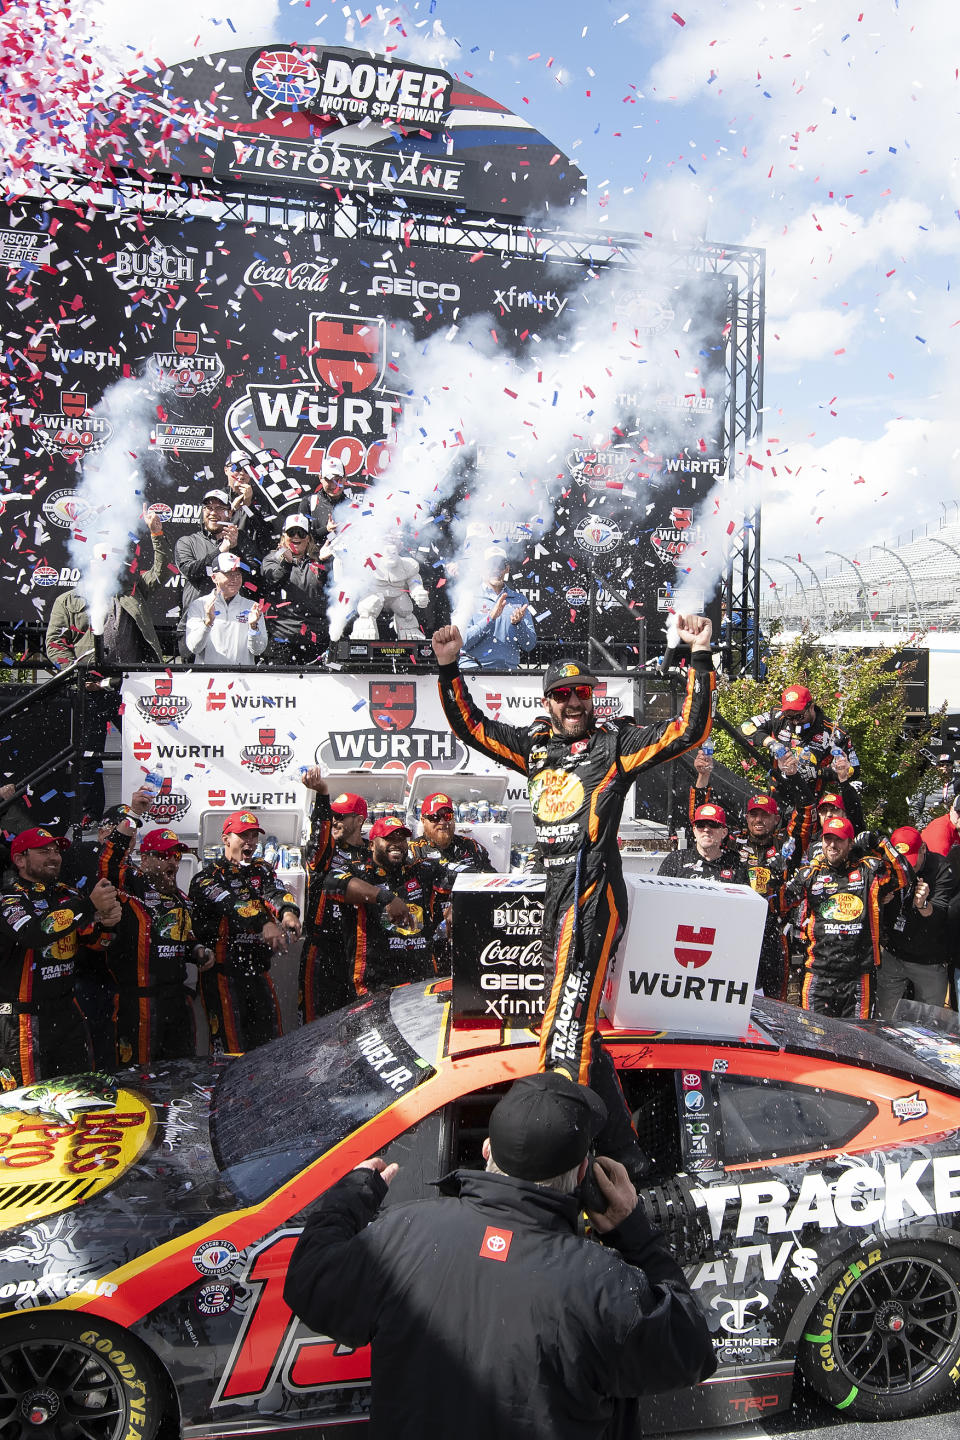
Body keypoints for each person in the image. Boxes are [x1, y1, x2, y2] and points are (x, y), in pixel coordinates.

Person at [283, 1071, 716, 1440]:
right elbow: (693, 1352)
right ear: (584, 1174)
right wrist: (633, 1230)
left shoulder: (403, 1234)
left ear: (487, 1150)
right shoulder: (602, 1284)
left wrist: (354, 1193)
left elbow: (308, 1281)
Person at [433, 616, 714, 1092]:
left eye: (580, 692)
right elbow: (473, 728)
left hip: (593, 894)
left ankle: (557, 1127)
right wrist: (448, 668)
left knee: (566, 1016)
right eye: (561, 695)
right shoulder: (534, 748)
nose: (572, 702)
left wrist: (700, 653)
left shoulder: (615, 745)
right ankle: (615, 1143)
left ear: (592, 695)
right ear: (547, 702)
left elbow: (689, 730)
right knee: (561, 1009)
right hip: (554, 894)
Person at [46, 508, 170, 819]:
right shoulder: (69, 601)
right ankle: (91, 814)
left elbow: (161, 573)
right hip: (88, 685)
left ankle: (151, 808)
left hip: (129, 685)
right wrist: (74, 673)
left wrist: (156, 535)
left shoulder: (133, 590)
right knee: (88, 754)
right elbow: (54, 644)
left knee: (146, 747)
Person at [0, 827, 121, 1085]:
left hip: (67, 1012)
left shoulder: (69, 895)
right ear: (20, 859)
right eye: (44, 851)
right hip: (23, 1019)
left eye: (56, 851)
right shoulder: (9, 899)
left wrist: (109, 924)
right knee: (27, 1103)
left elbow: (97, 943)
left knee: (77, 1092)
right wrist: (89, 906)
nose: (53, 857)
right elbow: (34, 933)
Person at [99, 818, 214, 1063]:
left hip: (177, 1000)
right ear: (146, 858)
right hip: (140, 1001)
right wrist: (131, 817)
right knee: (139, 1075)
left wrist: (198, 949)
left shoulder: (180, 897)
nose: (172, 861)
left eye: (175, 855)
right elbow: (108, 865)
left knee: (182, 1070)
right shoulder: (129, 887)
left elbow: (184, 937)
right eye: (163, 855)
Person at [189, 810, 302, 1053]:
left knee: (270, 1045)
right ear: (226, 839)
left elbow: (276, 891)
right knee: (232, 1051)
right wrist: (265, 923)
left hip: (257, 971)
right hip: (222, 976)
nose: (250, 841)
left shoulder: (261, 870)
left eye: (254, 836)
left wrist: (289, 912)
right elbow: (233, 905)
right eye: (243, 835)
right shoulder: (206, 878)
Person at [785, 816, 910, 1019]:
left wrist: (879, 842)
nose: (832, 845)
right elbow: (778, 903)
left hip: (858, 976)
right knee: (814, 1039)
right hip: (819, 975)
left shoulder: (868, 869)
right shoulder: (810, 874)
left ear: (850, 843)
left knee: (858, 1043)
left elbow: (904, 874)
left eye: (839, 840)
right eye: (828, 839)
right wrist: (779, 870)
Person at [323, 815, 444, 996]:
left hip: (421, 981)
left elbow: (462, 878)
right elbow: (331, 883)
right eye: (388, 838)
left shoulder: (421, 869)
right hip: (375, 985)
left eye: (401, 839)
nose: (396, 844)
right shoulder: (360, 871)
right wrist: (385, 898)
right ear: (371, 844)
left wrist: (453, 903)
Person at [175, 482, 264, 661]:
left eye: (219, 508)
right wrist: (221, 550)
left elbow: (255, 573)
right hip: (198, 619)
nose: (213, 512)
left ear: (230, 513)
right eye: (208, 507)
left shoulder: (241, 539)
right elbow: (191, 570)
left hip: (235, 624)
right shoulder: (188, 542)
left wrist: (236, 547)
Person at [877, 825, 957, 1017]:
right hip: (893, 955)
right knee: (884, 1017)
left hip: (929, 959)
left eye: (911, 863)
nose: (906, 868)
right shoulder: (886, 866)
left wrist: (923, 905)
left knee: (929, 1025)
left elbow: (941, 914)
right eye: (901, 862)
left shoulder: (941, 868)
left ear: (923, 849)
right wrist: (879, 900)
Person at [298, 771, 356, 1024]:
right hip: (321, 948)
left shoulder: (369, 853)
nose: (336, 821)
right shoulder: (322, 853)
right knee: (315, 1023)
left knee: (356, 1022)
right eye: (333, 816)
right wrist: (322, 795)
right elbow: (319, 835)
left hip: (355, 949)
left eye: (342, 816)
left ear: (360, 819)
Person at [740, 684, 858, 800]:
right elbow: (744, 728)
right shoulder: (778, 716)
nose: (795, 722)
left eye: (799, 716)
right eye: (790, 717)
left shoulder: (835, 732)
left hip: (809, 799)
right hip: (776, 794)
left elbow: (854, 770)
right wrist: (772, 744)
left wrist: (819, 772)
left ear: (811, 707)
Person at [260, 513, 328, 665]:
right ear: (284, 536)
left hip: (316, 639)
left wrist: (325, 563)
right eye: (291, 532)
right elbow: (272, 580)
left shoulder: (319, 560)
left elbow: (332, 588)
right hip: (282, 639)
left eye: (301, 533)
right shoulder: (271, 558)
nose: (296, 536)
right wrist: (286, 563)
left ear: (308, 538)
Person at [183, 552, 267, 667]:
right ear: (214, 578)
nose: (235, 579)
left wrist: (253, 627)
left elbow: (258, 650)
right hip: (209, 679)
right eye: (228, 574)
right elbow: (194, 648)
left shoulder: (252, 607)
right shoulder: (199, 605)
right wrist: (207, 624)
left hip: (242, 678)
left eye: (238, 574)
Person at [460, 549, 537, 672]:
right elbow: (462, 641)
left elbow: (529, 645)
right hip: (472, 671)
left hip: (507, 674)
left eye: (500, 565)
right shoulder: (469, 597)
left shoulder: (519, 600)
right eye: (491, 565)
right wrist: (490, 618)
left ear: (507, 569)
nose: (495, 569)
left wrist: (518, 624)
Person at [658, 803, 752, 885]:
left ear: (724, 833)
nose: (706, 829)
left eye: (713, 825)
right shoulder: (676, 859)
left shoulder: (735, 864)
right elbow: (659, 896)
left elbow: (743, 903)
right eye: (701, 825)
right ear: (694, 831)